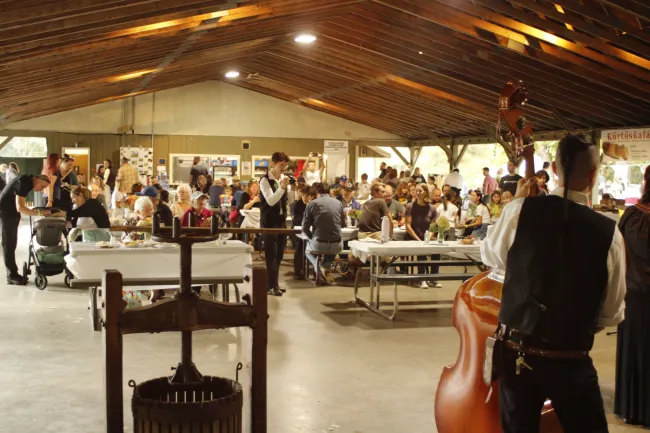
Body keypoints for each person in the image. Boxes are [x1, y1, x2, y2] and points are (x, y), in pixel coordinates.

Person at [481, 133, 626, 433]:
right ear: (593, 174)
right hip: (571, 360)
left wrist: (517, 204)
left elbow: (492, 256)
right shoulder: (609, 233)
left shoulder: (519, 211)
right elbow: (611, 312)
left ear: (556, 170)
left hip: (518, 354)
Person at [615, 165, 650, 427]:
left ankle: (630, 408)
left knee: (632, 351)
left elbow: (616, 254)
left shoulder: (630, 215)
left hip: (632, 294)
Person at [0, 174, 51, 284]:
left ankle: (13, 273)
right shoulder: (23, 182)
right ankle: (11, 275)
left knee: (12, 243)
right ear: (36, 179)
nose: (41, 190)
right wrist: (39, 213)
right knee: (8, 243)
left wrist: (37, 212)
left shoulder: (27, 182)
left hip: (11, 212)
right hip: (5, 211)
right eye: (42, 186)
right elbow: (20, 207)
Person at [259, 152, 291, 296]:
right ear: (273, 164)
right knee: (271, 255)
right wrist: (282, 188)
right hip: (269, 222)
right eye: (281, 165)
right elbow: (271, 201)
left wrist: (290, 190)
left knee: (279, 254)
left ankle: (272, 284)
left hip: (281, 221)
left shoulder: (282, 179)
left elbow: (286, 200)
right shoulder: (265, 180)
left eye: (285, 165)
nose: (283, 168)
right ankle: (272, 286)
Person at [302, 182, 345, 285]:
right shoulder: (338, 203)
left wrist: (311, 237)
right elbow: (343, 224)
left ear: (316, 192)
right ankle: (326, 266)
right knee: (332, 249)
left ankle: (319, 267)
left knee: (307, 251)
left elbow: (305, 228)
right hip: (337, 244)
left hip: (319, 242)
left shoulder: (312, 204)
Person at [404, 183, 441, 289]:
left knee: (437, 251)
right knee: (421, 251)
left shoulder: (432, 208)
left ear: (426, 192)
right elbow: (408, 226)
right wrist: (419, 240)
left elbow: (433, 226)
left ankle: (433, 278)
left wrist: (428, 238)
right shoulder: (410, 206)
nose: (417, 193)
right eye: (416, 191)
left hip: (427, 236)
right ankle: (422, 278)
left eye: (420, 191)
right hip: (413, 236)